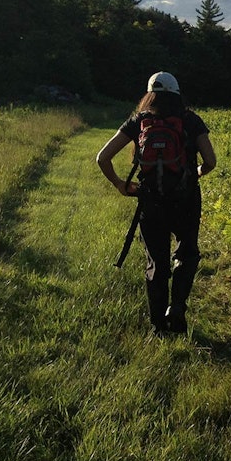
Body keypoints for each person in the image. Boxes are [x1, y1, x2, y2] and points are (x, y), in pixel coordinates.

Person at [97, 71, 216, 335]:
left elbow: (102, 157)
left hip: (150, 200)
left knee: (156, 262)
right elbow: (211, 162)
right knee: (187, 253)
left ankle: (158, 326)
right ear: (176, 93)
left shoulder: (139, 121)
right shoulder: (191, 120)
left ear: (149, 95)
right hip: (186, 198)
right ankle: (177, 308)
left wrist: (120, 184)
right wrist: (195, 172)